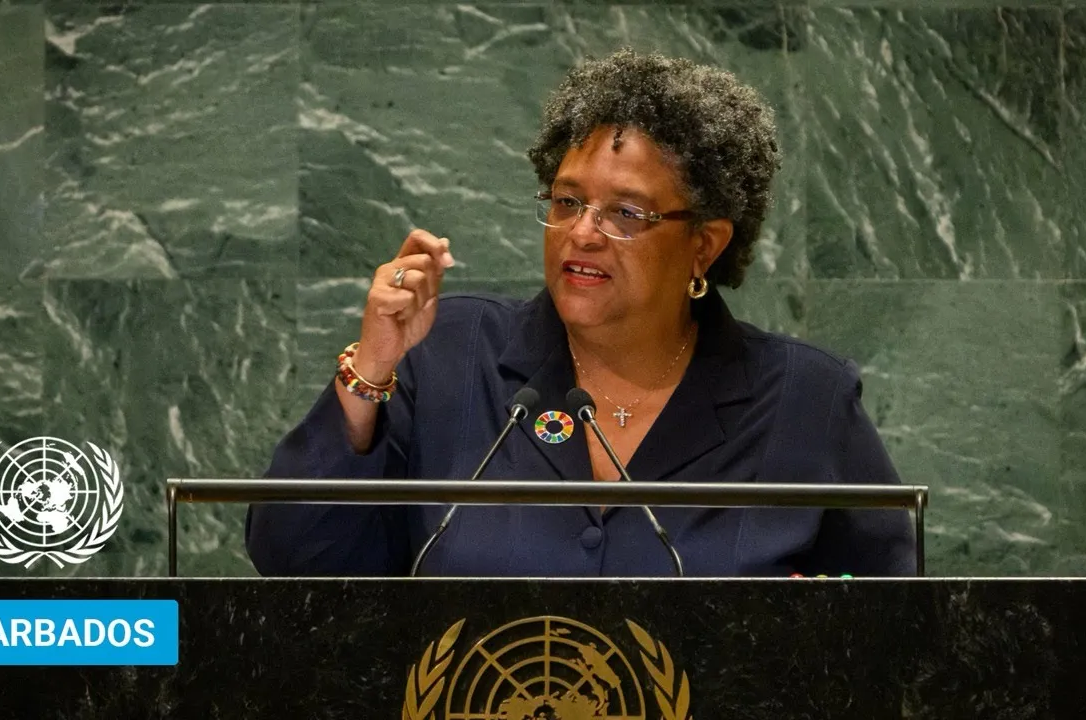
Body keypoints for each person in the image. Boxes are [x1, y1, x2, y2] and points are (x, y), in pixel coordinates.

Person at [245, 49, 915, 578]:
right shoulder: (450, 353)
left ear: (704, 245)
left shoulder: (807, 399)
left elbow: (900, 626)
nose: (583, 233)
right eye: (567, 202)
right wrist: (370, 370)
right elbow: (294, 560)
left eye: (626, 212)